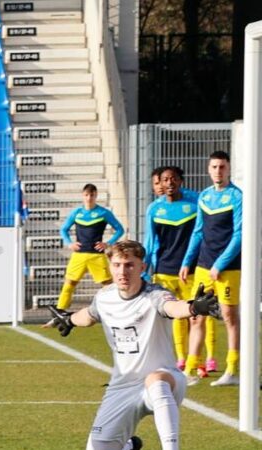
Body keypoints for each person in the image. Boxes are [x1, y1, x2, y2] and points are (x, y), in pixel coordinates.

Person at [47, 241, 220, 450]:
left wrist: (193, 307)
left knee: (155, 380)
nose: (123, 271)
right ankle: (127, 446)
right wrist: (69, 319)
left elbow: (172, 307)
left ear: (142, 267)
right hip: (122, 386)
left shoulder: (154, 295)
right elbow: (90, 315)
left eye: (129, 265)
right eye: (117, 265)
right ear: (110, 266)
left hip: (166, 380)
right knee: (99, 446)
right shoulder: (104, 297)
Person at [179, 150, 242, 386]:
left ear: (228, 169)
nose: (218, 171)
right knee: (196, 316)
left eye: (222, 167)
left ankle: (232, 370)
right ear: (209, 169)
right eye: (214, 167)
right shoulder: (204, 197)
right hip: (204, 265)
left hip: (229, 267)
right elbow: (197, 232)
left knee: (228, 316)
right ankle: (190, 370)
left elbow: (239, 235)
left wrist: (220, 264)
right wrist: (187, 261)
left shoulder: (237, 197)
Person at [143, 167, 202, 372]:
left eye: (174, 179)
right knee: (177, 316)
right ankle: (181, 359)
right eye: (165, 180)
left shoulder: (196, 203)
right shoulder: (154, 209)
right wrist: (145, 269)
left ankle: (200, 360)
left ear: (181, 181)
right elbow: (150, 242)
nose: (169, 183)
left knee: (197, 316)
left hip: (192, 270)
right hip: (164, 270)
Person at [48, 184, 124, 317]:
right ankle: (60, 310)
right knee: (70, 281)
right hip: (79, 255)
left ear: (96, 196)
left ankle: (116, 309)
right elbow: (63, 229)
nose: (89, 198)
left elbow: (120, 229)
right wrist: (69, 243)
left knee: (107, 284)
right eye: (86, 195)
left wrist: (108, 243)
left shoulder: (103, 212)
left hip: (97, 256)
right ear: (83, 196)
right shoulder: (77, 213)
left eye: (92, 195)